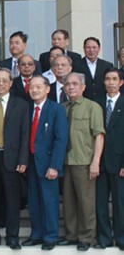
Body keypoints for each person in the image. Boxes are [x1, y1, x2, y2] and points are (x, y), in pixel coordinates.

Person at [0, 68, 29, 250]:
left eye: (4, 81)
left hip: (12, 157)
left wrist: (23, 160)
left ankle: (12, 237)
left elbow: (25, 134)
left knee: (12, 200)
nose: (1, 84)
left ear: (10, 84)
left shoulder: (21, 104)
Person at [58, 72, 105, 251]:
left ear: (83, 87)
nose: (71, 87)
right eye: (67, 84)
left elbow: (99, 135)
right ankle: (72, 235)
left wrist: (96, 162)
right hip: (65, 161)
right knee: (69, 202)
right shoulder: (62, 108)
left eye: (75, 84)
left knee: (86, 202)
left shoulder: (92, 107)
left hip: (84, 161)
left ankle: (87, 237)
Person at [23, 76, 68, 250]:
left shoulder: (56, 109)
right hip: (31, 162)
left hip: (49, 163)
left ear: (47, 89)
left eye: (38, 87)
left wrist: (54, 165)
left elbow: (61, 139)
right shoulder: (27, 109)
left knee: (49, 201)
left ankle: (50, 236)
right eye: (32, 87)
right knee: (33, 200)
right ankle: (36, 234)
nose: (34, 90)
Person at [94, 67, 124, 250]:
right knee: (100, 203)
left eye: (114, 79)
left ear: (121, 82)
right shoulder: (97, 103)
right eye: (107, 79)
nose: (110, 82)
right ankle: (104, 238)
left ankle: (121, 238)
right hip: (100, 162)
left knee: (120, 203)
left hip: (119, 162)